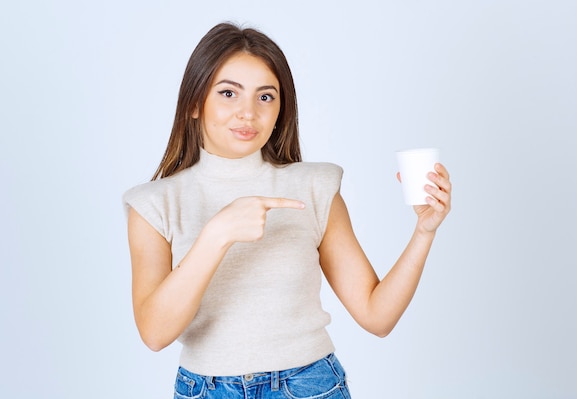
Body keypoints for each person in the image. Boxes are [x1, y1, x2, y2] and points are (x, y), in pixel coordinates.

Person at [123, 22, 452, 399]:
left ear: (281, 108)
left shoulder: (313, 187)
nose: (247, 113)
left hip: (310, 387)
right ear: (195, 102)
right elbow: (154, 333)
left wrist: (424, 231)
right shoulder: (153, 204)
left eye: (265, 97)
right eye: (229, 93)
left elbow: (377, 317)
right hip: (206, 390)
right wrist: (217, 235)